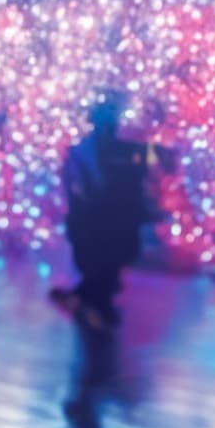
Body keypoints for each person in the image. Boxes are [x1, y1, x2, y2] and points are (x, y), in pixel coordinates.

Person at [52, 99, 151, 329]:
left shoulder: (93, 150)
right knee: (104, 266)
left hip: (106, 219)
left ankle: (86, 301)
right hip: (100, 220)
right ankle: (91, 304)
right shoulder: (90, 151)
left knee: (106, 266)